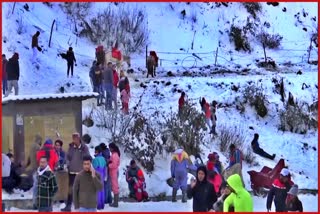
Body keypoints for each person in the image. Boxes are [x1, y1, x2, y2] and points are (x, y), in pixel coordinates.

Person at [61, 133, 90, 212]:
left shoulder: (84, 148)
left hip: (81, 172)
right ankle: (68, 206)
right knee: (70, 190)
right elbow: (67, 157)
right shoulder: (71, 147)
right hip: (72, 172)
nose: (74, 140)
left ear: (79, 138)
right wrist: (67, 163)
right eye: (73, 138)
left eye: (76, 138)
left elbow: (87, 158)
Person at [25, 134, 42, 210]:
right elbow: (39, 158)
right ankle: (36, 203)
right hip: (38, 169)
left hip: (33, 168)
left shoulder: (31, 147)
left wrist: (26, 165)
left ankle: (35, 202)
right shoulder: (38, 147)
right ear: (39, 140)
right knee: (37, 186)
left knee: (35, 186)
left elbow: (29, 157)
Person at [92, 146, 107, 210]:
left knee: (97, 191)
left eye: (95, 151)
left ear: (97, 151)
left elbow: (94, 168)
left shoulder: (95, 159)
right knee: (102, 190)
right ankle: (102, 205)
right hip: (102, 175)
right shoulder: (103, 158)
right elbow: (105, 168)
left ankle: (98, 205)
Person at [108, 143, 120, 207]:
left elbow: (114, 164)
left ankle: (116, 203)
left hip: (114, 172)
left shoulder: (115, 155)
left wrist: (108, 165)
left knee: (115, 187)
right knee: (114, 186)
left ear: (112, 148)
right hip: (113, 172)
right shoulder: (114, 154)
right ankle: (115, 202)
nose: (109, 149)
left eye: (110, 147)